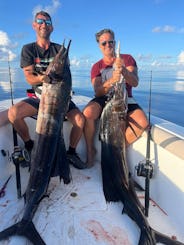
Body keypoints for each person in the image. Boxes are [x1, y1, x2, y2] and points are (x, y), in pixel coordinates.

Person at [8, 11, 87, 169]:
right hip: (39, 97)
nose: (44, 24)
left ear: (52, 28)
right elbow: (29, 77)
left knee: (80, 120)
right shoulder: (28, 49)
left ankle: (71, 152)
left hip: (60, 98)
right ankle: (30, 146)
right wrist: (41, 79)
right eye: (40, 21)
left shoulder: (60, 50)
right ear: (34, 25)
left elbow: (66, 76)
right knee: (13, 114)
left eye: (48, 22)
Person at [83, 28, 148, 167]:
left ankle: (116, 149)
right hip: (105, 98)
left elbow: (135, 82)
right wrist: (112, 79)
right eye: (104, 43)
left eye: (110, 42)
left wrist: (123, 70)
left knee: (143, 122)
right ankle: (90, 150)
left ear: (114, 42)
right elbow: (98, 92)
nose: (108, 45)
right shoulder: (96, 67)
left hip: (125, 98)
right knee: (88, 113)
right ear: (99, 46)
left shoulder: (128, 59)